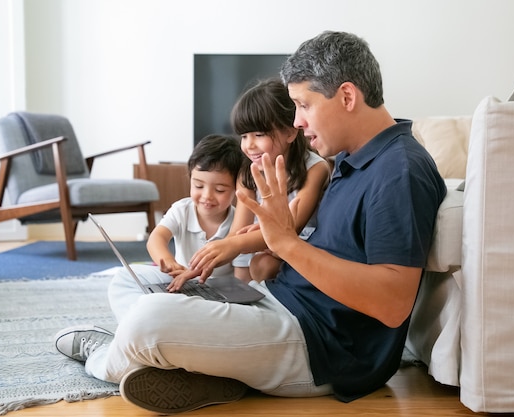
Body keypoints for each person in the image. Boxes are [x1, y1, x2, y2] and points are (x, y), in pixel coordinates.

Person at [53, 31, 447, 414]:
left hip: (321, 346)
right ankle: (211, 367)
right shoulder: (351, 156)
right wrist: (277, 244)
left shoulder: (399, 171)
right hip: (277, 301)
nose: (296, 121)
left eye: (303, 105)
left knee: (147, 318)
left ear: (346, 96)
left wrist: (284, 242)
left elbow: (393, 304)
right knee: (128, 280)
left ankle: (106, 355)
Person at [191, 78, 330, 283]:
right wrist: (203, 263)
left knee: (262, 265)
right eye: (244, 136)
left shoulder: (315, 169)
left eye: (258, 134)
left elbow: (290, 228)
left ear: (290, 132)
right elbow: (238, 232)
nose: (249, 145)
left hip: (299, 246)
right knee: (247, 266)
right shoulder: (248, 171)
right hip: (258, 244)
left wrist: (235, 244)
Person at [109, 133, 245, 322]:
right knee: (124, 278)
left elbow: (242, 280)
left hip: (217, 295)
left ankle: (157, 320)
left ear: (237, 189)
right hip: (179, 284)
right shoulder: (183, 209)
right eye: (198, 186)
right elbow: (156, 238)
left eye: (220, 190)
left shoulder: (240, 221)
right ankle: (133, 325)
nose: (207, 196)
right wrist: (167, 261)